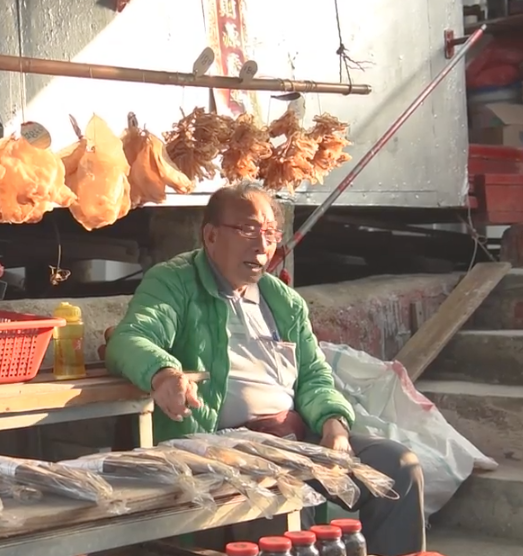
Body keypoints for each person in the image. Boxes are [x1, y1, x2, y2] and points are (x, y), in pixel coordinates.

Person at [105, 180, 425, 556]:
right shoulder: (174, 282)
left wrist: (333, 425)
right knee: (284, 495)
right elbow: (128, 339)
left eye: (270, 233)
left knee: (398, 466)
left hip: (292, 438)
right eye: (247, 230)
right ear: (210, 236)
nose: (262, 245)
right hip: (222, 445)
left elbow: (314, 376)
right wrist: (164, 374)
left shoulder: (283, 300)